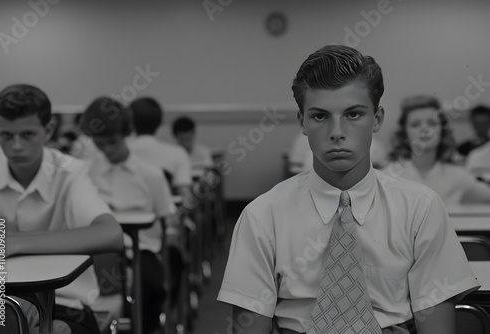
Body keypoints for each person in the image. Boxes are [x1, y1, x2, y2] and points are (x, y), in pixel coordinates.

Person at [217, 45, 480, 334]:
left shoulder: (421, 208)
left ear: (377, 119)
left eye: (353, 114)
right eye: (320, 116)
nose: (337, 132)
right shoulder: (261, 216)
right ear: (302, 122)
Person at [0, 84, 124, 334]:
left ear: (49, 130)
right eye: (6, 135)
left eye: (27, 134)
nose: (16, 146)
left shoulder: (70, 172)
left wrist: (12, 243)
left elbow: (111, 234)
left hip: (63, 302)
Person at [80, 97, 185, 334]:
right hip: (92, 251)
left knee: (149, 288)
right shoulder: (82, 172)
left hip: (140, 250)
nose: (106, 149)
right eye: (99, 143)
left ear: (127, 134)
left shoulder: (151, 175)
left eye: (112, 142)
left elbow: (168, 219)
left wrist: (171, 240)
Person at [384, 95, 490, 206]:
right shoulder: (387, 177)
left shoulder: (458, 176)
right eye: (415, 124)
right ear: (405, 133)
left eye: (432, 123)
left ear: (442, 130)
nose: (425, 129)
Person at [128, 97, 192, 195]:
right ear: (160, 122)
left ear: (130, 123)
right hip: (165, 208)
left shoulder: (119, 153)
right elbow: (185, 195)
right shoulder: (178, 153)